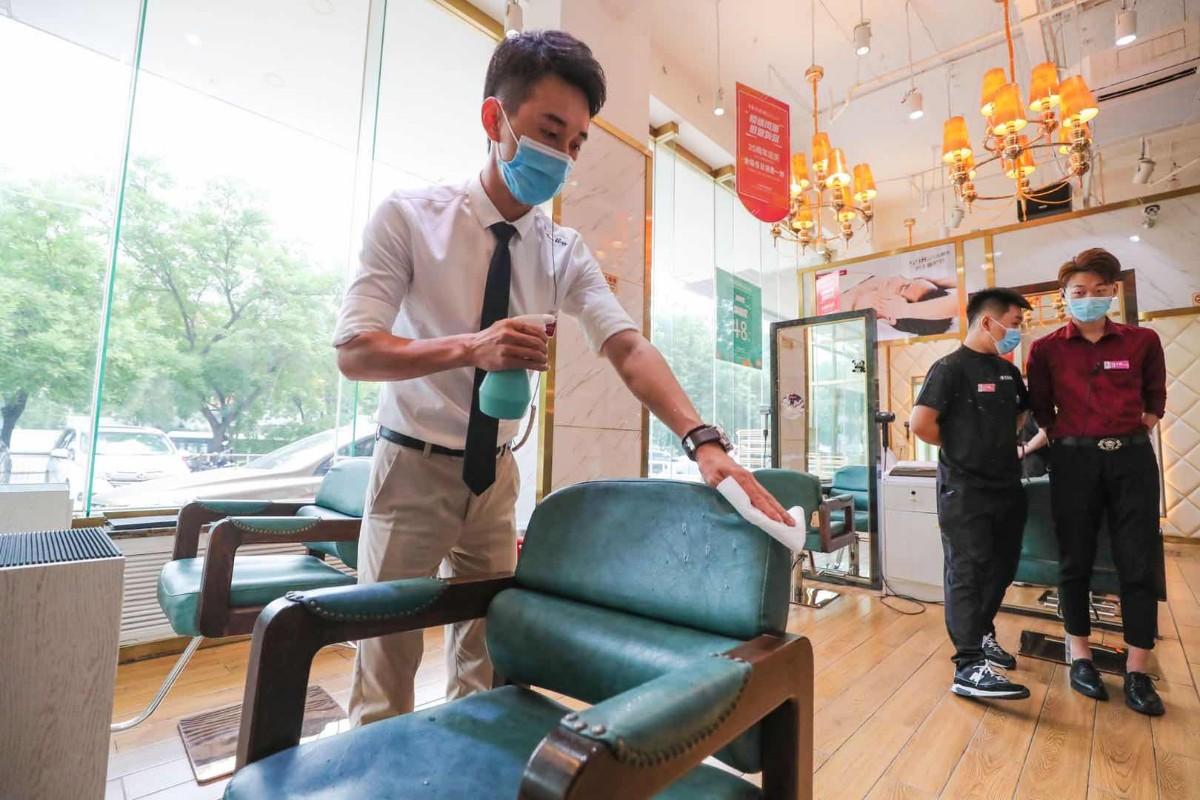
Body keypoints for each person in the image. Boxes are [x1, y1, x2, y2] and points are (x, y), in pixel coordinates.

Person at [332, 30, 792, 727]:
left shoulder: (561, 249)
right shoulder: (410, 217)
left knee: (488, 658)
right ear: (496, 119)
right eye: (551, 132)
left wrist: (702, 439)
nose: (564, 156)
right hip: (411, 468)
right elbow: (356, 351)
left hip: (496, 478)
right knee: (385, 662)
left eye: (576, 143)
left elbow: (628, 346)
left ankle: (470, 763)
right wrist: (472, 347)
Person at [1026, 248, 1166, 717]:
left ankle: (1137, 668)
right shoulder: (1046, 349)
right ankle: (1080, 656)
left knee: (1138, 562)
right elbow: (1041, 408)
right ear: (1064, 296)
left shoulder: (1142, 340)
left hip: (1131, 460)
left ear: (1113, 293)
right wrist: (1068, 438)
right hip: (1074, 462)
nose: (1089, 298)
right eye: (1079, 291)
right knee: (1075, 560)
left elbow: (1155, 398)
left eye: (1099, 291)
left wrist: (1131, 431)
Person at [910, 287, 1033, 700]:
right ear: (987, 322)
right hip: (964, 489)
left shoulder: (1007, 372)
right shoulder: (949, 368)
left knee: (1003, 567)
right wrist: (965, 447)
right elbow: (921, 424)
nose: (1016, 331)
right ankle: (967, 666)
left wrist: (997, 443)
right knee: (968, 570)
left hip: (1007, 485)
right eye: (1013, 323)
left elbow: (1020, 415)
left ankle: (981, 633)